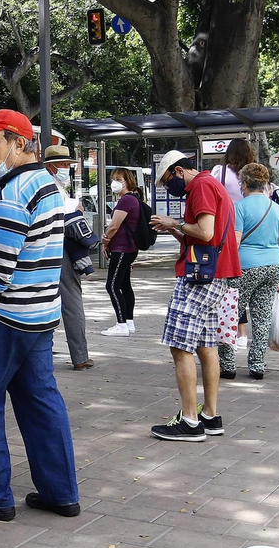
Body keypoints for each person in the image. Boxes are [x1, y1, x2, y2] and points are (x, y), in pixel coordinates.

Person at [0, 109, 81, 520]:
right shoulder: (45, 184)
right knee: (41, 404)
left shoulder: (11, 196)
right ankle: (60, 492)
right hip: (37, 316)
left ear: (19, 144)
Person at [148, 148, 239, 442]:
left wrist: (174, 223)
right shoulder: (212, 185)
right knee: (205, 345)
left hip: (199, 277)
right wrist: (173, 229)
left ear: (177, 171)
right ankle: (210, 416)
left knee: (179, 345)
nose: (168, 187)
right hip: (217, 273)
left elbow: (205, 232)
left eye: (166, 180)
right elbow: (201, 235)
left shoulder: (199, 185)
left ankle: (189, 420)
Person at [228, 163, 279, 380]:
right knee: (262, 317)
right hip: (273, 264)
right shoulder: (276, 208)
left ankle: (227, 364)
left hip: (246, 265)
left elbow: (234, 243)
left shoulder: (240, 207)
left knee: (231, 314)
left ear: (244, 183)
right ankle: (257, 365)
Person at [43, 140, 95, 370]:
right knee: (72, 301)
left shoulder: (49, 184)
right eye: (63, 164)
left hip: (46, 249)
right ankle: (80, 356)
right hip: (61, 249)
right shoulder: (52, 187)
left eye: (67, 163)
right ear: (52, 166)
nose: (66, 168)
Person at [100, 167, 142, 336]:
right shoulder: (133, 199)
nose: (115, 182)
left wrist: (105, 240)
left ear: (127, 181)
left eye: (119, 179)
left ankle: (121, 324)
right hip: (128, 248)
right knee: (124, 285)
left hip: (122, 248)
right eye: (114, 178)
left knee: (112, 285)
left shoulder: (126, 200)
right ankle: (129, 322)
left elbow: (114, 225)